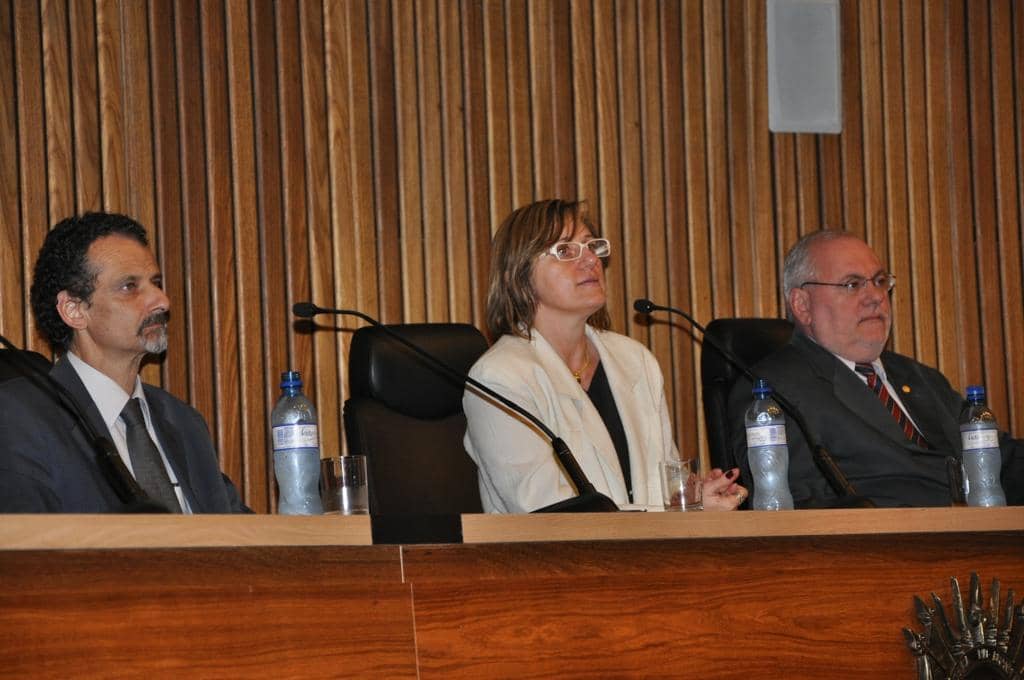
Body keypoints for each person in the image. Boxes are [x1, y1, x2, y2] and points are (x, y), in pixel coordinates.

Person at [463, 199, 746, 513]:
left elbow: (661, 490)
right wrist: (665, 517)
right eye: (566, 251)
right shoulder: (499, 377)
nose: (589, 261)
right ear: (519, 275)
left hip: (644, 558)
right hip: (551, 561)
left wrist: (693, 502)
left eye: (591, 246)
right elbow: (546, 513)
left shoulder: (635, 360)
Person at [727, 229, 1023, 507]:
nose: (876, 297)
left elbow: (999, 457)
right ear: (803, 305)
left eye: (880, 281)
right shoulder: (775, 391)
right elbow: (799, 502)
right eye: (853, 284)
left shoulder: (920, 377)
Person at [0, 212, 248, 513]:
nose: (162, 300)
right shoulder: (20, 418)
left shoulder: (184, 423)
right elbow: (28, 550)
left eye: (156, 282)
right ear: (74, 310)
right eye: (129, 287)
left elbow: (240, 535)